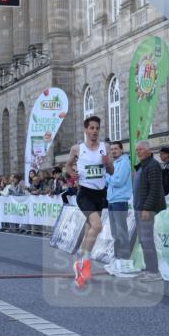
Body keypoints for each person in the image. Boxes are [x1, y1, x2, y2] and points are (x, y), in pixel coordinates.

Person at [65, 116, 115, 288]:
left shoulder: (104, 147)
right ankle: (83, 263)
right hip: (84, 193)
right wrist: (71, 173)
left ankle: (81, 258)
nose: (94, 131)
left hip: (100, 194)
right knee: (97, 226)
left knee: (90, 230)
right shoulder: (77, 148)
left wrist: (107, 164)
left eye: (97, 128)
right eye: (91, 128)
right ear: (86, 130)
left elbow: (112, 171)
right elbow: (67, 165)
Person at [133, 140, 167, 281]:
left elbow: (154, 190)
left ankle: (153, 272)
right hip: (139, 208)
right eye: (137, 150)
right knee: (143, 240)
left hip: (146, 209)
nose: (138, 152)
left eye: (140, 149)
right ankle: (149, 269)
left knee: (147, 240)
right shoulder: (143, 166)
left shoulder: (153, 166)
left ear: (148, 150)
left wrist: (147, 208)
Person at [105, 141, 137, 276]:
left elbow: (117, 181)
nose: (113, 151)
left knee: (121, 232)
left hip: (120, 201)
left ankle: (124, 260)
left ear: (121, 150)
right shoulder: (115, 164)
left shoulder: (124, 163)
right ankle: (118, 259)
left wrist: (106, 175)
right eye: (111, 149)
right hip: (112, 200)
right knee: (115, 233)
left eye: (116, 149)